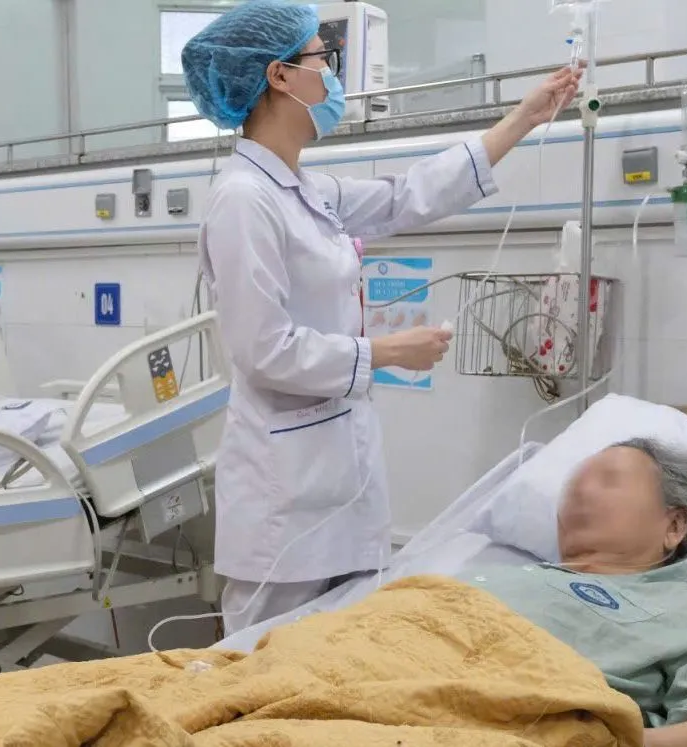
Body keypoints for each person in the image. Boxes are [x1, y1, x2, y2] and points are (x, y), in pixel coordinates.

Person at [180, 0, 582, 634]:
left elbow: (404, 198)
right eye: (323, 57)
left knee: (335, 665)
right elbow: (263, 349)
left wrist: (523, 118)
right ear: (280, 76)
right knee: (259, 669)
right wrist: (390, 352)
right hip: (282, 503)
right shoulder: (244, 200)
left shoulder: (301, 190)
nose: (332, 74)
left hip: (332, 483)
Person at [461, 438, 687, 747]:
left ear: (674, 526)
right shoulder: (497, 574)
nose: (581, 492)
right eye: (574, 485)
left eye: (609, 480)